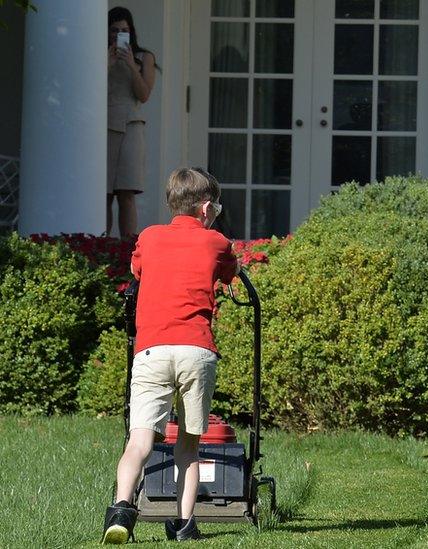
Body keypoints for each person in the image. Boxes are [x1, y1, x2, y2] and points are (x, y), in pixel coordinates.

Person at [101, 168, 239, 544]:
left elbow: (137, 269)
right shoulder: (217, 241)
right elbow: (231, 273)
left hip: (152, 349)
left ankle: (120, 508)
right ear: (207, 208)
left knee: (139, 441)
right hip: (196, 350)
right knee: (190, 446)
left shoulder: (149, 236)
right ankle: (183, 525)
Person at [107, 6, 157, 239]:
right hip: (104, 126)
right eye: (114, 31)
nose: (119, 35)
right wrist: (107, 61)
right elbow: (89, 90)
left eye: (124, 30)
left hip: (131, 124)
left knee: (126, 191)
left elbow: (144, 94)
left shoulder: (144, 57)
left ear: (131, 31)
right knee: (103, 193)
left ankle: (127, 248)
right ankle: (100, 245)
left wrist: (130, 64)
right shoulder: (99, 55)